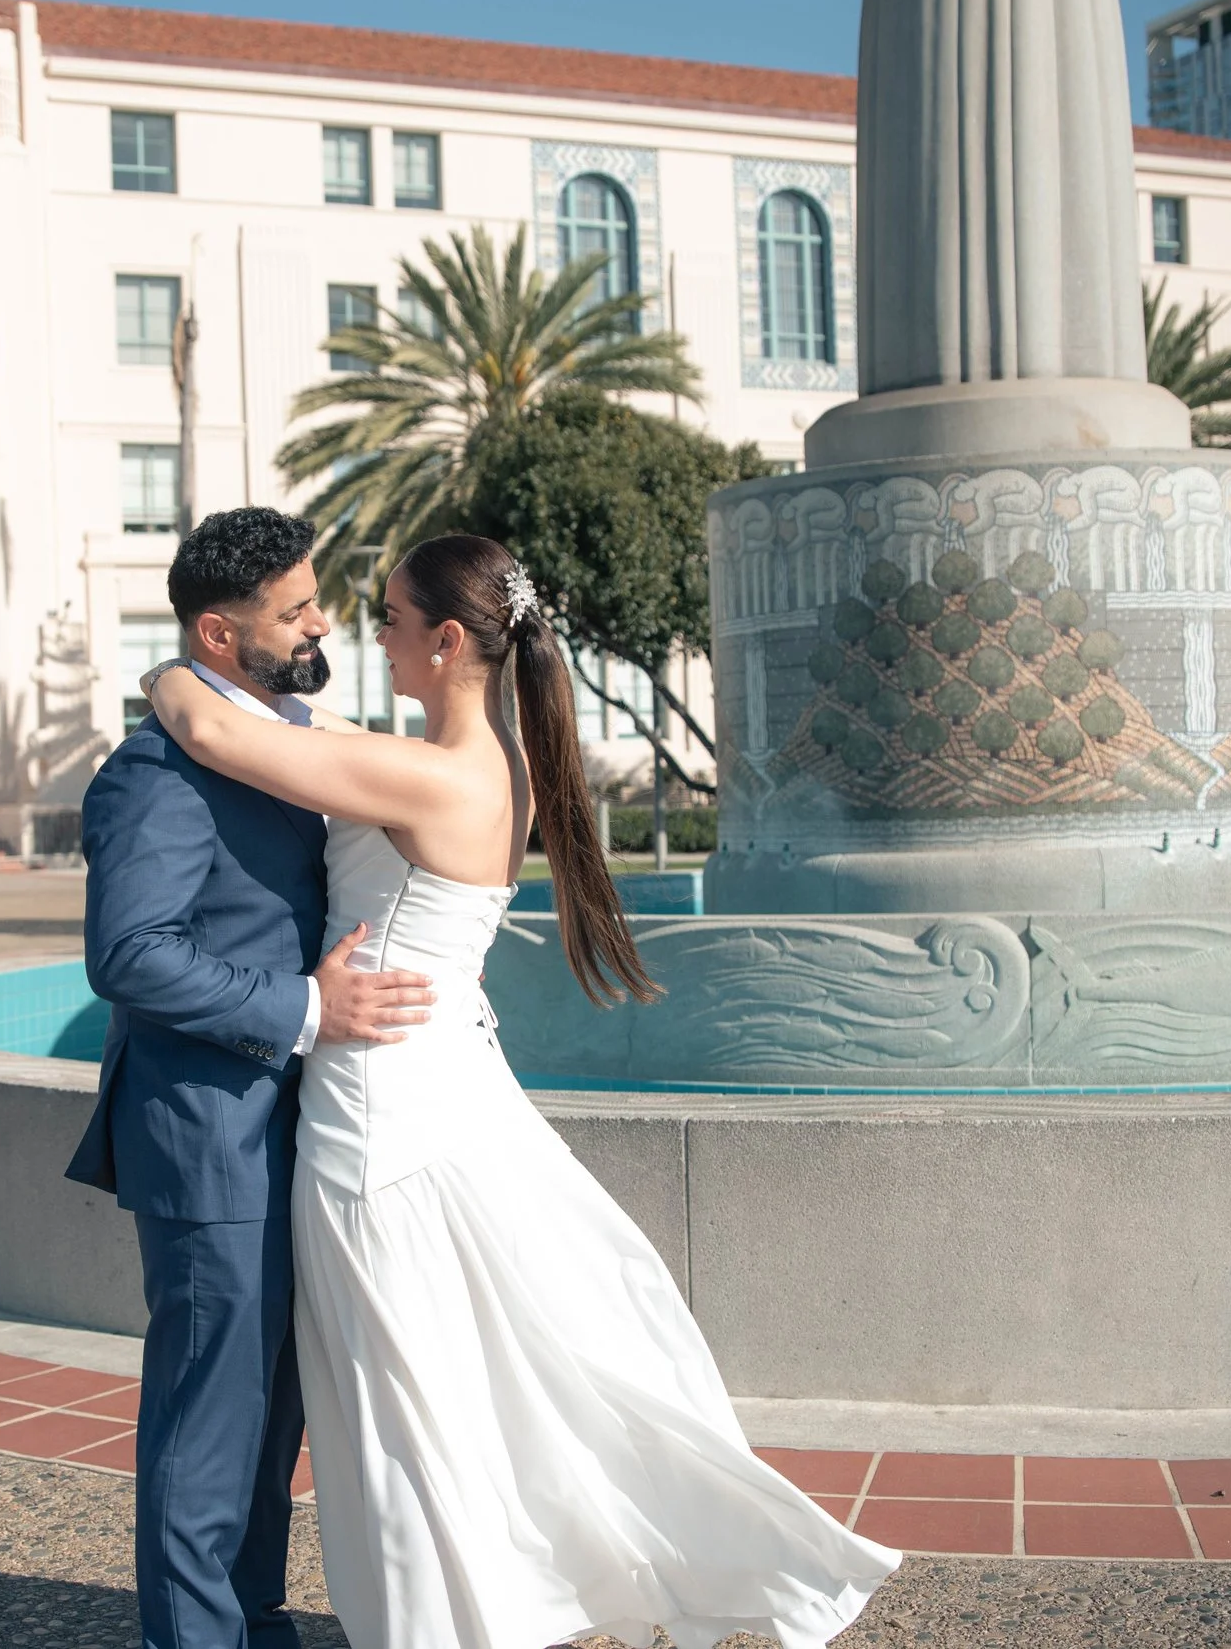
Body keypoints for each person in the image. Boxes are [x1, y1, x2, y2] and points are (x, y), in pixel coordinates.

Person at [139, 531, 899, 1649]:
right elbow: (313, 730)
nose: (370, 636)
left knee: (402, 1395)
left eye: (391, 619)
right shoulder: (500, 760)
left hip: (380, 1106)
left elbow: (211, 728)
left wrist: (171, 668)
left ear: (448, 641)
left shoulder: (426, 775)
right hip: (448, 1078)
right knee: (457, 1373)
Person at [67, 508, 436, 1649]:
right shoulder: (155, 773)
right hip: (208, 1135)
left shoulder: (281, 734)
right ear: (219, 636)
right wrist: (308, 1009)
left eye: (315, 600)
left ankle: (253, 1621)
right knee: (210, 1416)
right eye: (295, 610)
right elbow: (129, 955)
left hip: (297, 1125)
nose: (322, 623)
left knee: (272, 1412)